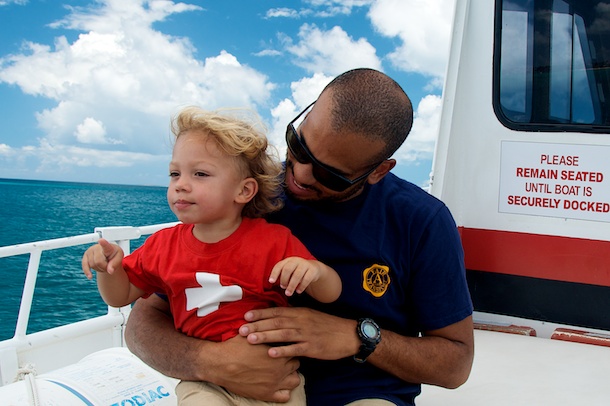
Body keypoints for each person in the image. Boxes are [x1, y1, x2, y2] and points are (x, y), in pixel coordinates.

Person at [124, 68, 474, 406]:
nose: (302, 176)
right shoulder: (245, 196)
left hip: (363, 394)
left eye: (331, 175)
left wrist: (357, 338)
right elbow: (142, 323)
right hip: (238, 389)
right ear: (303, 117)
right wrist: (213, 362)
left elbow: (456, 363)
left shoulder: (421, 221)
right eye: (299, 146)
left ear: (378, 171)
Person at [81, 106, 342, 405]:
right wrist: (108, 268)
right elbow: (120, 296)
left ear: (244, 191)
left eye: (200, 174)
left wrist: (315, 272)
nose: (181, 183)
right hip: (204, 384)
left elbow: (330, 293)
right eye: (174, 173)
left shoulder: (272, 240)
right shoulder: (161, 246)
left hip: (275, 377)